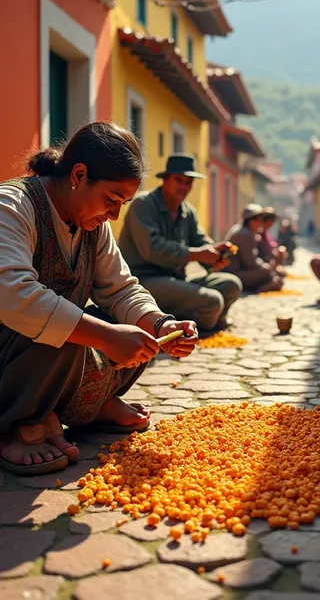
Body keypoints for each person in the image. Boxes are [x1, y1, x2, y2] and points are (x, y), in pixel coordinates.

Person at [0, 122, 197, 476]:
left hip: (53, 364)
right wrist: (105, 336)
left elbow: (121, 289)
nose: (114, 214)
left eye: (123, 204)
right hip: (9, 355)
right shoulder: (12, 206)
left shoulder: (95, 225)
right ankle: (15, 423)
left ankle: (79, 408)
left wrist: (160, 323)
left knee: (137, 335)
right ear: (78, 174)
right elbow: (14, 296)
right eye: (111, 200)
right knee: (68, 334)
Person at [119, 154, 242, 332]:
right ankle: (170, 322)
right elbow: (152, 249)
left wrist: (216, 254)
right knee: (213, 301)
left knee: (232, 285)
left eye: (188, 182)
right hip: (144, 280)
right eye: (178, 180)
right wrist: (197, 254)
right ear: (166, 180)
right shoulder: (144, 204)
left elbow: (201, 242)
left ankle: (185, 316)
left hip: (176, 281)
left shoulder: (187, 211)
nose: (184, 187)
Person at [225, 204, 283, 293]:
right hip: (233, 273)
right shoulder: (244, 234)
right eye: (257, 220)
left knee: (273, 273)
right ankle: (264, 286)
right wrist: (267, 268)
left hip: (239, 269)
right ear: (250, 221)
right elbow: (250, 262)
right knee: (267, 271)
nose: (260, 223)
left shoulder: (247, 232)